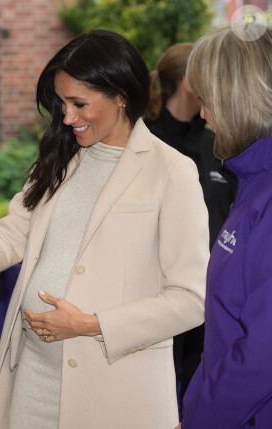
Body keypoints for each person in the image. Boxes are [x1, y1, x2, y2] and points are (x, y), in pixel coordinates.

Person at [0, 30, 210, 428]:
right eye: (62, 103)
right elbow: (11, 238)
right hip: (30, 384)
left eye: (79, 103)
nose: (67, 117)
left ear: (121, 95)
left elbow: (190, 298)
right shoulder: (58, 158)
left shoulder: (173, 170)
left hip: (116, 396)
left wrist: (91, 325)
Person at [179, 24, 272, 429]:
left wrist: (201, 417)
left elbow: (261, 354)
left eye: (206, 100)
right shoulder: (252, 180)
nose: (203, 114)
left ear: (236, 97)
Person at [144, 43, 235, 412]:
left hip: (210, 295)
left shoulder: (219, 142)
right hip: (157, 293)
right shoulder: (144, 140)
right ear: (188, 81)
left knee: (198, 388)